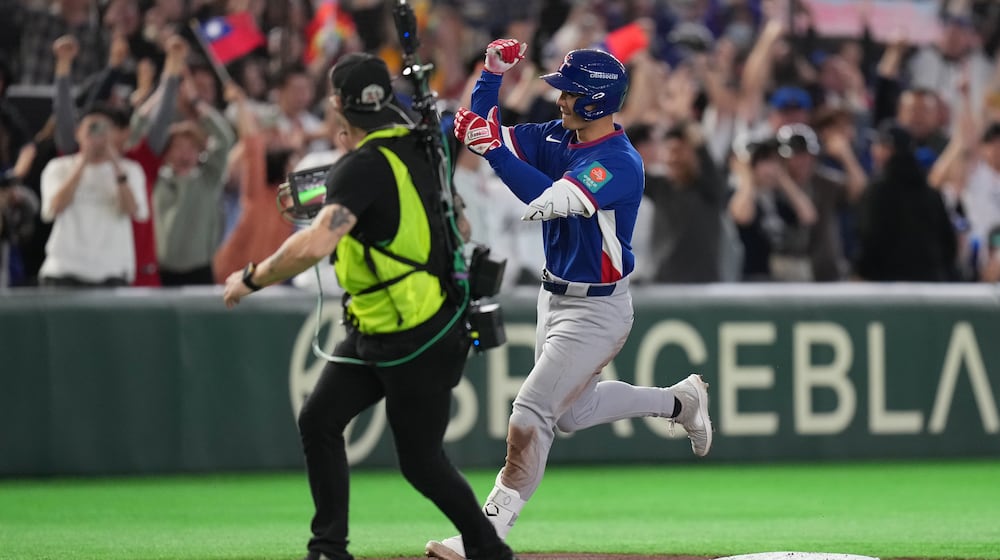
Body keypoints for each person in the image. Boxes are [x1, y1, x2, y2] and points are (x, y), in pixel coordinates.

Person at [221, 53, 517, 560]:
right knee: (320, 419)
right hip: (387, 326)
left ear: (338, 106)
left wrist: (250, 278)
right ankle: (328, 548)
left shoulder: (361, 166)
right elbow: (460, 225)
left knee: (421, 463)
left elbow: (315, 245)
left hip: (414, 336)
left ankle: (489, 550)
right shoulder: (421, 149)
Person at [425, 41, 713, 560]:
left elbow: (544, 201)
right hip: (553, 296)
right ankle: (679, 401)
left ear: (597, 102)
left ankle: (483, 536)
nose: (560, 99)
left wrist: (490, 147)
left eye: (571, 92)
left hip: (598, 309)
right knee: (574, 414)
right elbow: (480, 127)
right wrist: (490, 75)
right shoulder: (560, 133)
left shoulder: (619, 162)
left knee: (531, 413)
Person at [39, 105, 148, 287]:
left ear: (115, 134)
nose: (98, 134)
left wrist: (115, 164)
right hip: (63, 271)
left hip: (112, 272)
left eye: (105, 129)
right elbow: (54, 208)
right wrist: (83, 162)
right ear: (77, 132)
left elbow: (132, 210)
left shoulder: (131, 170)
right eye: (92, 128)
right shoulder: (58, 167)